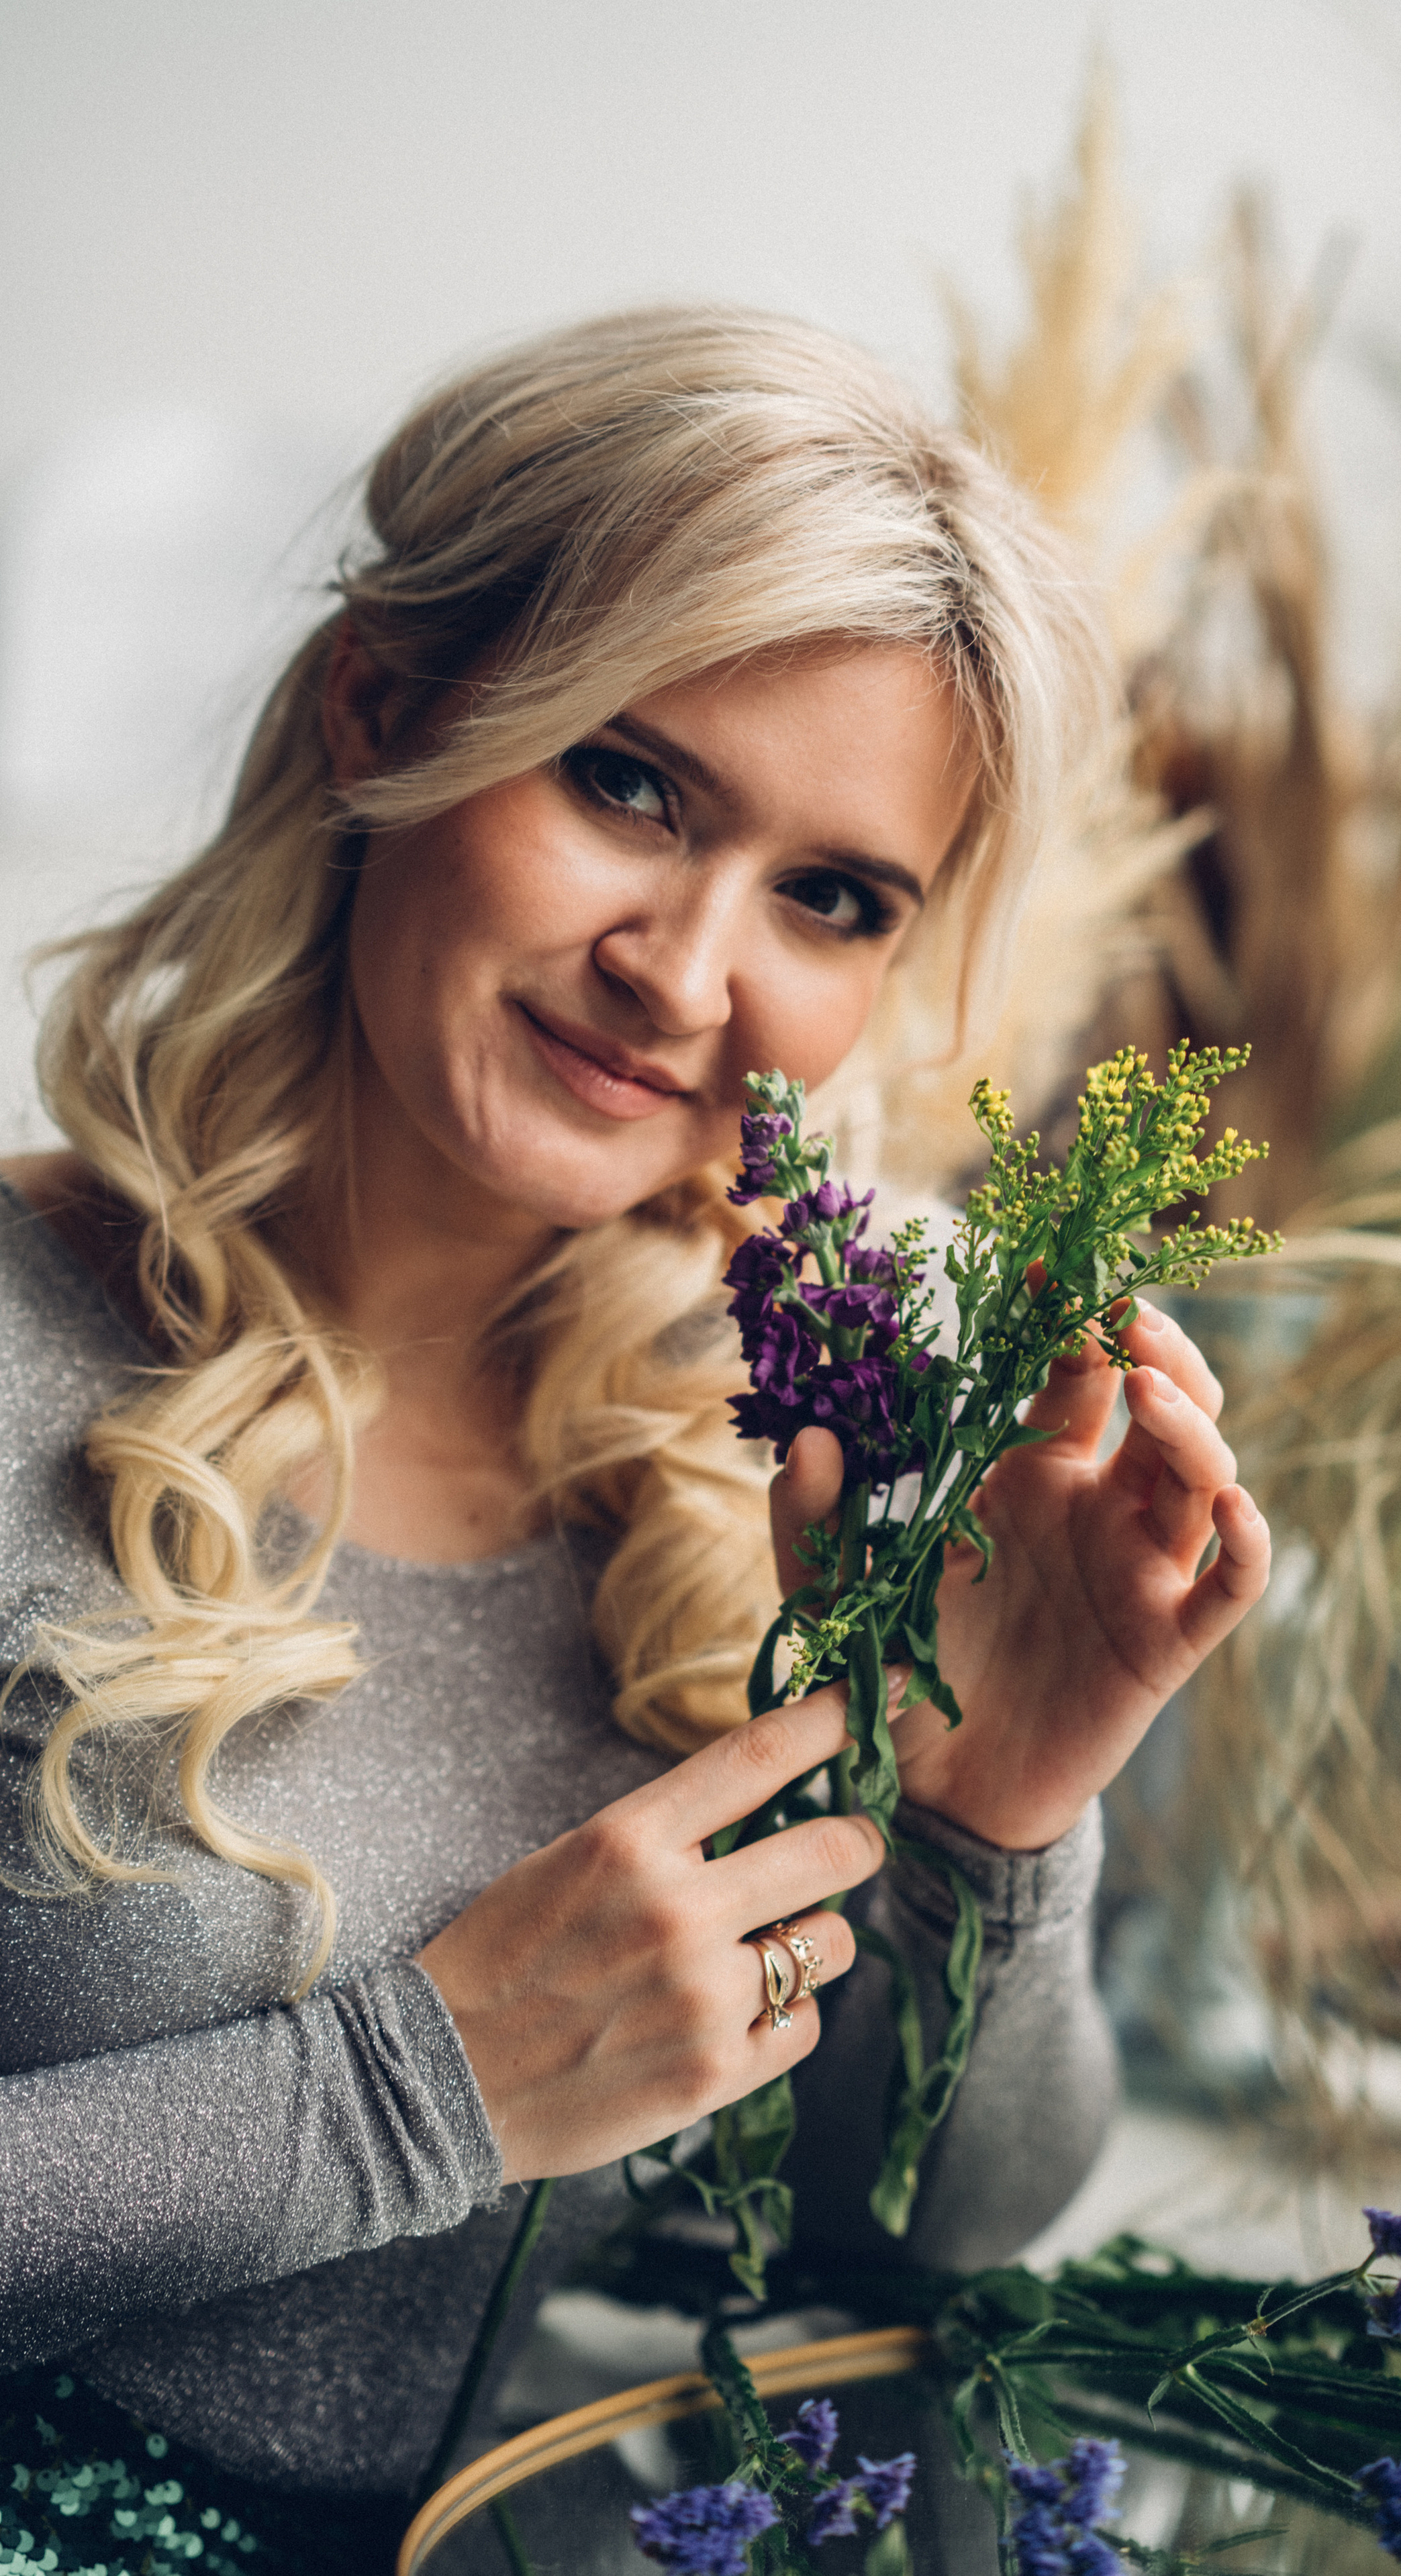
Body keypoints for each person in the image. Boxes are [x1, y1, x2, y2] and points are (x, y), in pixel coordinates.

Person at [0, 307, 1271, 2568]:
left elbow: (925, 2251)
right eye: (628, 781)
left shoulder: (816, 1437)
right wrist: (415, 2093)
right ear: (382, 710)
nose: (685, 972)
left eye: (832, 894)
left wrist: (1003, 1812)